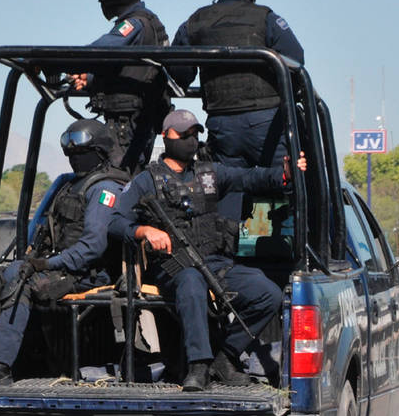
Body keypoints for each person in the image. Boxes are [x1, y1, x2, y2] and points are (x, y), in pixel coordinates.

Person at [108, 109, 306, 391]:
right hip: (173, 266)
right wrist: (145, 231)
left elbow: (250, 178)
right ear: (166, 136)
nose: (190, 140)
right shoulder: (146, 180)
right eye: (183, 134)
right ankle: (198, 365)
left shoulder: (209, 173)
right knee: (192, 282)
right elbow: (115, 222)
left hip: (213, 262)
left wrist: (283, 174)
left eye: (194, 134)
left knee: (267, 294)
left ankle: (225, 357)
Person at [0, 119, 130, 386]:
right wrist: (37, 260)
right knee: (14, 272)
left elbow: (92, 248)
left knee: (24, 283)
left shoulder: (104, 189)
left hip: (92, 273)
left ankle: (0, 366)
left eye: (81, 153)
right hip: (69, 268)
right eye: (71, 154)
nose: (75, 159)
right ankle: (28, 361)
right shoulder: (71, 186)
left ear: (99, 151)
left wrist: (47, 265)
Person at [169, 0, 305, 218]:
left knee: (227, 188)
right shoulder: (266, 19)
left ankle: (223, 242)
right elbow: (296, 61)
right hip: (267, 124)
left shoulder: (195, 21)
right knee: (287, 184)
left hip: (222, 126)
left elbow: (178, 72)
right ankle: (293, 238)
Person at [69, 0, 171, 174]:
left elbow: (101, 49)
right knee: (127, 174)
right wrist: (90, 79)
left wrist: (61, 61)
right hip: (135, 116)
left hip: (127, 120)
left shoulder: (134, 24)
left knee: (119, 175)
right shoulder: (146, 21)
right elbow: (128, 70)